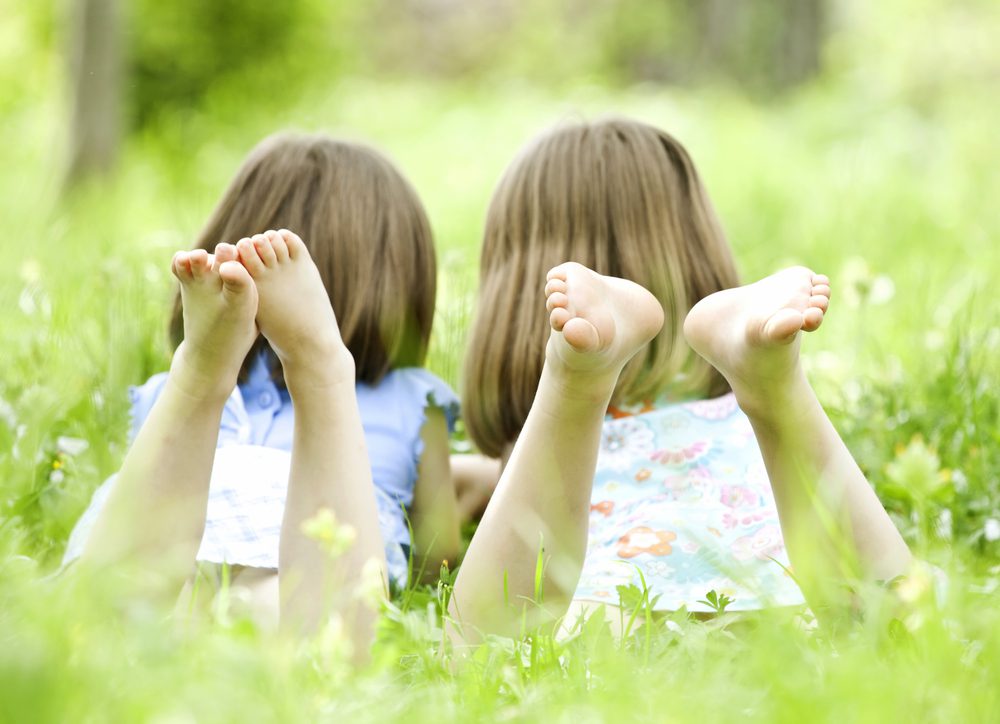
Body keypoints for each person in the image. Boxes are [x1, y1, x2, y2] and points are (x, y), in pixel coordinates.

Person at [446, 118, 912, 643]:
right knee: (902, 633)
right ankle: (776, 391)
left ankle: (575, 385)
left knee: (474, 651)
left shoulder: (539, 465)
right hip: (786, 606)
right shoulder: (734, 432)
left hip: (611, 612)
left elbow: (444, 500)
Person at [64, 134, 460, 656]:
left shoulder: (160, 398)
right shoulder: (411, 402)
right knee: (294, 624)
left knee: (142, 605)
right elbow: (441, 555)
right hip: (289, 560)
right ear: (400, 279)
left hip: (186, 542)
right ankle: (290, 370)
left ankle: (242, 370)